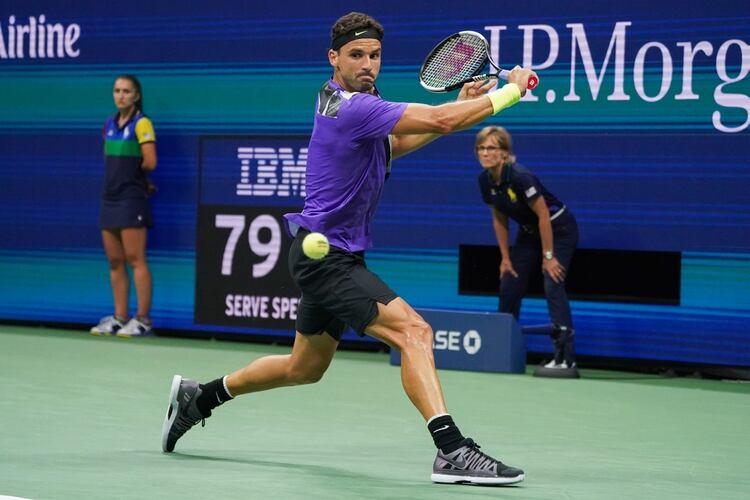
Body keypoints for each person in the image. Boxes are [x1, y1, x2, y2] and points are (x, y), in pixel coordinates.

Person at [161, 12, 536, 485]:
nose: (368, 64)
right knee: (415, 333)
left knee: (304, 367)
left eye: (375, 56)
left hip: (325, 253)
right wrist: (510, 91)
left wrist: (464, 108)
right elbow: (439, 119)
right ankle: (452, 449)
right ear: (333, 58)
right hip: (327, 259)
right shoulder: (355, 107)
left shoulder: (354, 101)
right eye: (356, 55)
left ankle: (201, 397)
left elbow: (395, 144)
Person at [475, 126, 580, 378]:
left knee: (553, 281)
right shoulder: (485, 180)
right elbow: (499, 218)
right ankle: (500, 349)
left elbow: (543, 215)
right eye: (481, 148)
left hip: (558, 228)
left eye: (491, 148)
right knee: (510, 282)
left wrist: (548, 256)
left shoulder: (521, 176)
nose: (485, 153)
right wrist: (505, 258)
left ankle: (565, 358)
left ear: (504, 153)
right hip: (529, 233)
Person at [90, 75, 157, 337]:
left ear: (136, 96)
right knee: (115, 260)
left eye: (126, 91)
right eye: (117, 90)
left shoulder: (142, 124)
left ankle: (143, 320)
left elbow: (150, 162)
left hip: (131, 199)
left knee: (135, 259)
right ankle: (120, 316)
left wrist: (134, 179)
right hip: (110, 198)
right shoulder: (109, 124)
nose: (121, 95)